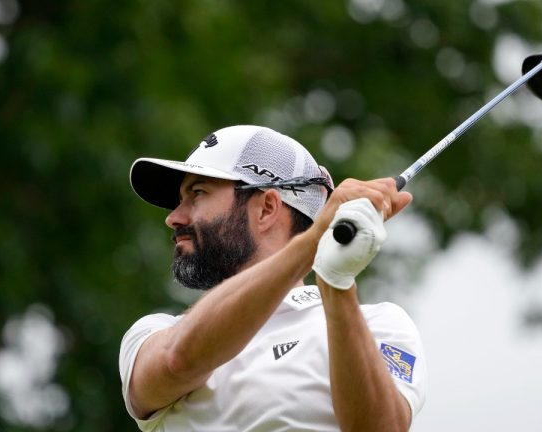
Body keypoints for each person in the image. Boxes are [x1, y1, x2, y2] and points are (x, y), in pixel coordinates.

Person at [119, 125, 427, 431]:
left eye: (197, 193)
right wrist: (312, 244)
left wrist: (335, 280)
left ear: (266, 209)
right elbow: (177, 362)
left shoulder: (379, 324)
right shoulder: (154, 333)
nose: (173, 217)